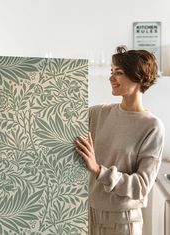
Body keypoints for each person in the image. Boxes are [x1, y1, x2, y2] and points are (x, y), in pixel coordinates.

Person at [75, 46, 165, 235]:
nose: (111, 77)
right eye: (111, 72)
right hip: (87, 215)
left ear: (138, 77)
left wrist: (99, 171)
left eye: (119, 72)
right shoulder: (98, 113)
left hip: (123, 222)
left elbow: (141, 186)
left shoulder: (152, 126)